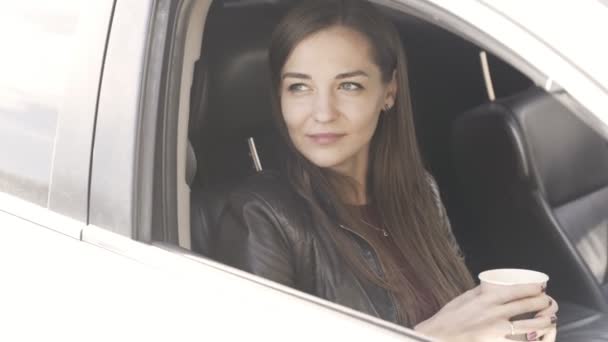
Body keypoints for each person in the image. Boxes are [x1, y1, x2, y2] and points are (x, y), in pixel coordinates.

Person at [215, 0, 558, 340]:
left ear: (388, 92)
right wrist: (430, 336)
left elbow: (464, 319)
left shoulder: (420, 191)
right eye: (299, 87)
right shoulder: (261, 216)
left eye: (348, 85)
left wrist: (512, 322)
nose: (323, 112)